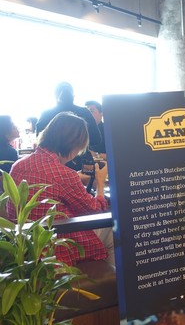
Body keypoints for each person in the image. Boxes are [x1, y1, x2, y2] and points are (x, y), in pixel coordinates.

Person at [7, 112, 114, 266]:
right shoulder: (64, 174)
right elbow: (94, 210)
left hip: (24, 244)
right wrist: (100, 183)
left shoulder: (19, 165)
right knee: (115, 230)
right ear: (73, 144)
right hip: (55, 245)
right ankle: (107, 277)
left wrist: (75, 179)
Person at [36, 82, 101, 150]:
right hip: (80, 155)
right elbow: (96, 139)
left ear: (55, 95)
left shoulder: (46, 114)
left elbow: (40, 140)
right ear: (73, 96)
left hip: (54, 155)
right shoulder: (84, 112)